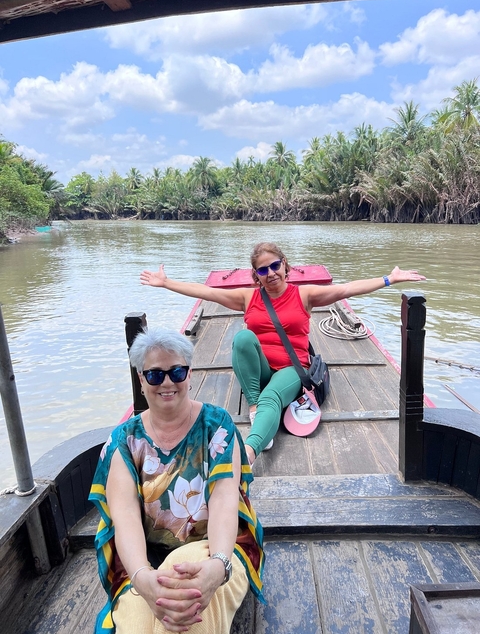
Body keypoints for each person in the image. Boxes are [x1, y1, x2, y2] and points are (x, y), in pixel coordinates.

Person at [140, 242, 426, 467]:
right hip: (262, 368)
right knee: (242, 338)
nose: (271, 273)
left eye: (275, 266)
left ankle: (247, 454)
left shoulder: (304, 295)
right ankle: (255, 407)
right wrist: (167, 283)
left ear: (284, 264)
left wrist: (389, 278)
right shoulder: (248, 297)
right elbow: (206, 292)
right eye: (263, 270)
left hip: (292, 369)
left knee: (272, 396)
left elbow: (346, 289)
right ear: (256, 275)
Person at [89, 328, 264, 634]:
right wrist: (143, 579)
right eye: (155, 375)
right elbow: (125, 517)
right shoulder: (124, 441)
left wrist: (217, 566)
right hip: (144, 559)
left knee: (187, 596)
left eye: (177, 372)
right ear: (141, 380)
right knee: (138, 622)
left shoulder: (216, 425)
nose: (167, 382)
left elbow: (224, 501)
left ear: (190, 374)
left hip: (218, 547)